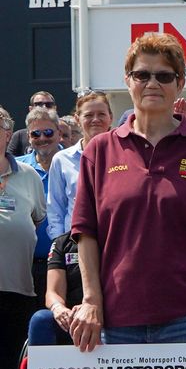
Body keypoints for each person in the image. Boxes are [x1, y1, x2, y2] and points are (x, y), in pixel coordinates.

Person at [70, 32, 186, 351]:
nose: (152, 83)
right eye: (142, 74)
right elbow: (86, 233)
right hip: (117, 319)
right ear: (128, 80)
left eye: (164, 76)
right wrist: (91, 300)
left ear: (180, 83)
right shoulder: (100, 150)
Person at [0, 106, 47, 369]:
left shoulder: (29, 175)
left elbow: (37, 220)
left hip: (17, 289)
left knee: (10, 362)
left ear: (8, 135)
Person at [47, 91, 112, 242]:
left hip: (114, 241)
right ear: (77, 119)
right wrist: (60, 244)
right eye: (89, 115)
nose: (95, 120)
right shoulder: (62, 160)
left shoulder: (125, 156)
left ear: (111, 117)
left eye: (101, 114)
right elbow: (55, 209)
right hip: (75, 243)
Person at [15, 107, 62, 306]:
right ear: (28, 136)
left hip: (64, 267)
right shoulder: (15, 168)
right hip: (24, 266)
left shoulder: (74, 163)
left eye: (48, 132)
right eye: (36, 133)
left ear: (59, 132)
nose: (42, 138)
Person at [7, 91, 57, 156]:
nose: (44, 107)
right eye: (35, 134)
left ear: (59, 133)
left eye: (49, 132)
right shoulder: (19, 136)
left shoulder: (64, 132)